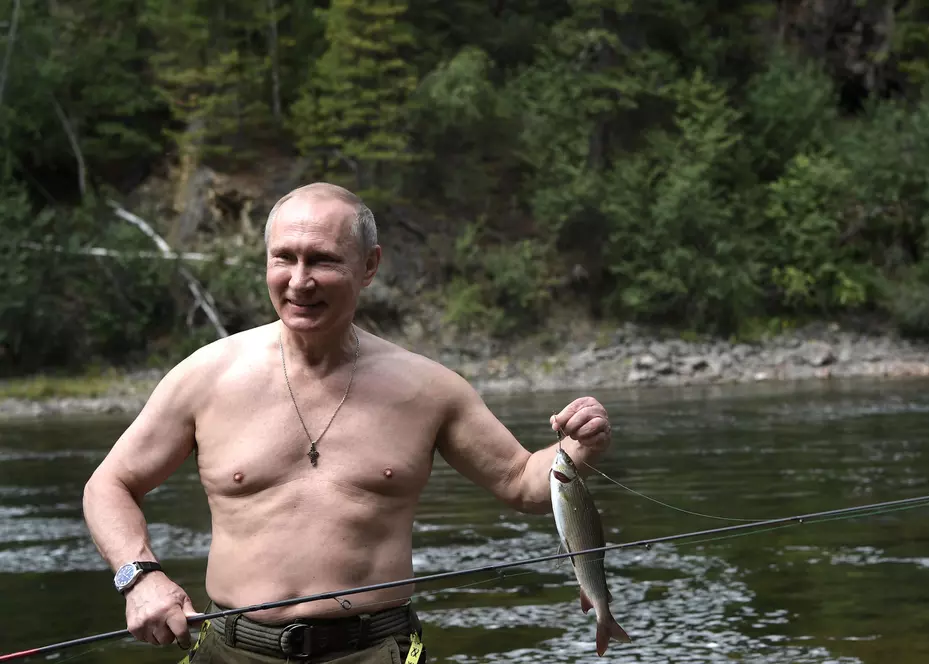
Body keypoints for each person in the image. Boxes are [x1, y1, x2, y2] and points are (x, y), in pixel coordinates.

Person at [81, 182, 614, 663]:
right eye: (283, 258)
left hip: (378, 651)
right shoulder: (205, 377)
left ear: (370, 265)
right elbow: (110, 483)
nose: (299, 281)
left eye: (323, 260)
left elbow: (521, 480)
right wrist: (139, 577)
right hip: (233, 649)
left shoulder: (429, 389)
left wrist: (575, 450)